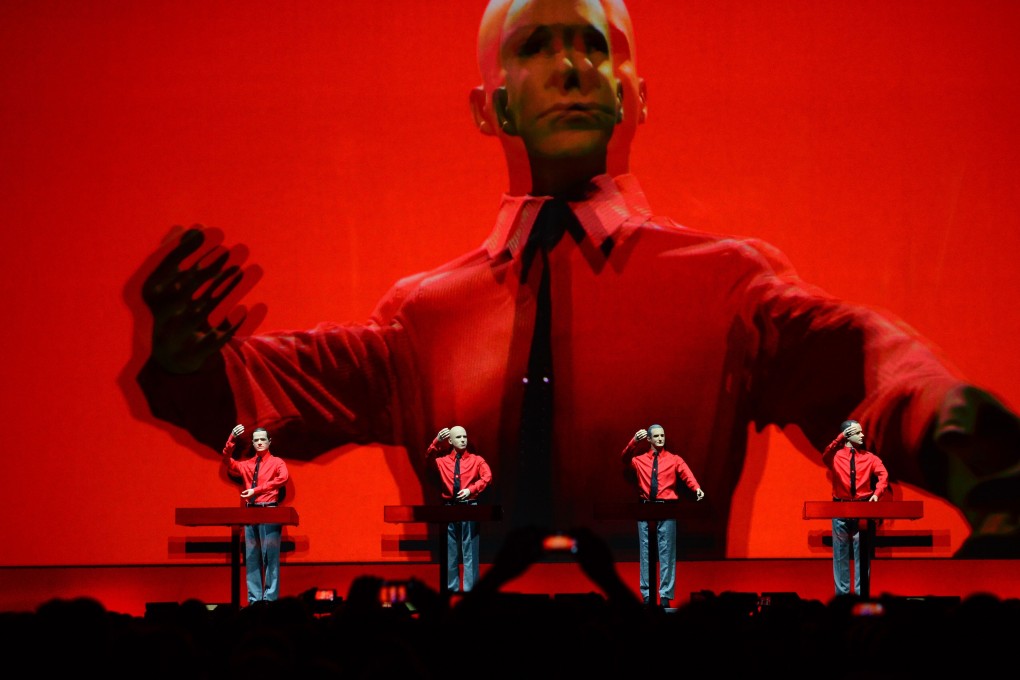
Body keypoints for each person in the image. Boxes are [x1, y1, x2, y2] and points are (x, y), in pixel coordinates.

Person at [131, 0, 1020, 560]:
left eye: (594, 45)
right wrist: (185, 363)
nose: (570, 65)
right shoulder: (424, 318)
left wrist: (985, 466)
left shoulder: (725, 287)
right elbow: (271, 394)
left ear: (633, 93)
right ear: (493, 106)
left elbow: (878, 375)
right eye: (536, 47)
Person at [621, 424, 704, 607]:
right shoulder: (639, 460)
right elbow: (624, 458)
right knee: (645, 552)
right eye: (656, 436)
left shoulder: (674, 459)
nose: (660, 439)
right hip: (645, 509)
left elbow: (686, 473)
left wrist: (696, 488)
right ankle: (647, 595)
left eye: (662, 435)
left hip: (667, 509)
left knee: (667, 553)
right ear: (649, 439)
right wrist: (634, 441)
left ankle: (665, 596)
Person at [221, 424, 291, 604]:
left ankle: (270, 600)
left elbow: (283, 478)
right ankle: (254, 600)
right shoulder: (247, 465)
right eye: (256, 440)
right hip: (250, 513)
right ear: (252, 443)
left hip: (269, 511)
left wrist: (257, 490)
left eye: (263, 439)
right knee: (251, 557)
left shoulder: (277, 462)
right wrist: (231, 440)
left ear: (269, 442)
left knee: (270, 557)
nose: (259, 442)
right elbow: (228, 462)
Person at [821, 419, 888, 596]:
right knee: (841, 554)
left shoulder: (870, 458)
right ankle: (842, 599)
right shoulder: (836, 457)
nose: (862, 435)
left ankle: (861, 596)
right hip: (840, 509)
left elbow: (883, 475)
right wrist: (840, 438)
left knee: (862, 555)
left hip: (863, 510)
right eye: (858, 432)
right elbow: (825, 455)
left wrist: (877, 493)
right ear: (848, 435)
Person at [425, 426, 493, 592]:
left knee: (470, 552)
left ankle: (471, 592)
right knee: (450, 553)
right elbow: (427, 461)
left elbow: (487, 476)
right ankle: (451, 590)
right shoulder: (442, 461)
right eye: (459, 437)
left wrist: (471, 490)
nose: (463, 440)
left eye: (465, 436)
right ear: (450, 441)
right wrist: (435, 442)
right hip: (449, 509)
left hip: (470, 508)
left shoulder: (476, 460)